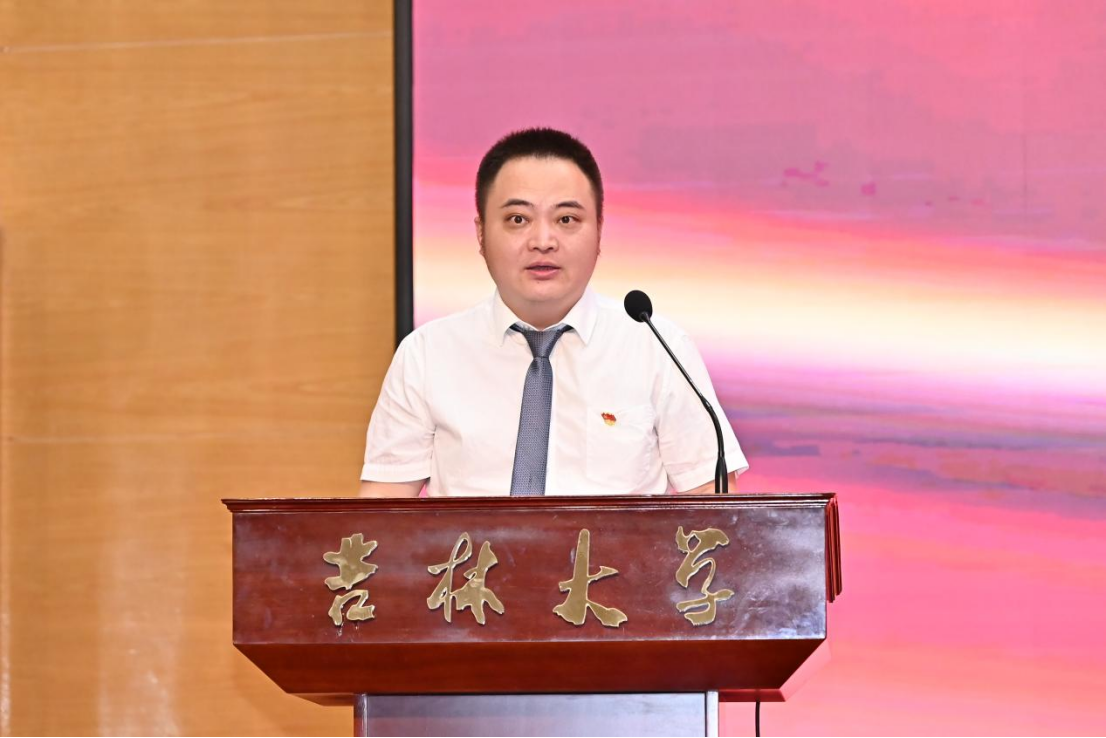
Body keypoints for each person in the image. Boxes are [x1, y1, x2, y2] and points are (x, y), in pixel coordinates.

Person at [360, 127, 747, 498]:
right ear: (480, 233)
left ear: (599, 231)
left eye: (566, 220)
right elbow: (384, 506)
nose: (543, 241)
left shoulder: (656, 348)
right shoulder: (427, 354)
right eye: (518, 219)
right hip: (469, 550)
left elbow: (714, 502)